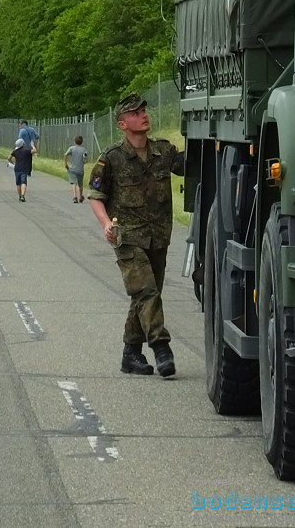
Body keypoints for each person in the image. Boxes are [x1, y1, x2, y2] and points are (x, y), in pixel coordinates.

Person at [87, 93, 184, 378]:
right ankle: (161, 347)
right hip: (128, 238)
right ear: (122, 124)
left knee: (144, 297)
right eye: (135, 112)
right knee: (146, 292)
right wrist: (106, 223)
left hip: (158, 237)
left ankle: (131, 354)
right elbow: (95, 195)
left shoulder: (163, 152)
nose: (143, 114)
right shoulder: (112, 158)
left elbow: (189, 166)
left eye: (144, 110)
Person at [7, 138, 35, 202]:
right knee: (23, 182)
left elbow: (8, 158)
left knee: (18, 183)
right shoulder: (26, 150)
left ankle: (19, 196)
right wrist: (32, 145)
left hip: (17, 168)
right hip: (24, 168)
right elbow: (34, 151)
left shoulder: (15, 151)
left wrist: (12, 162)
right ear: (23, 144)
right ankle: (23, 195)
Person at [64, 135, 89, 203]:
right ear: (82, 142)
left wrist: (66, 163)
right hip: (80, 169)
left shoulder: (71, 148)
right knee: (80, 184)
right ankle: (80, 196)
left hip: (72, 169)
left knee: (74, 183)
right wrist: (84, 161)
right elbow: (85, 159)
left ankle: (75, 197)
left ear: (74, 141)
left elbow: (65, 154)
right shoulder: (84, 149)